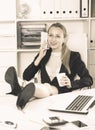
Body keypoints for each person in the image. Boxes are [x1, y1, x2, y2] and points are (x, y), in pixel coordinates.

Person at [5, 22, 93, 110]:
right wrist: (39, 57)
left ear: (64, 39)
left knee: (47, 88)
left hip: (60, 95)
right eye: (51, 35)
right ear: (47, 36)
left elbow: (88, 80)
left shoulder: (73, 56)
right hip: (42, 95)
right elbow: (26, 76)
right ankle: (22, 88)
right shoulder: (44, 54)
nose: (53, 39)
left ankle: (20, 87)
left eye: (57, 36)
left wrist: (71, 84)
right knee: (33, 98)